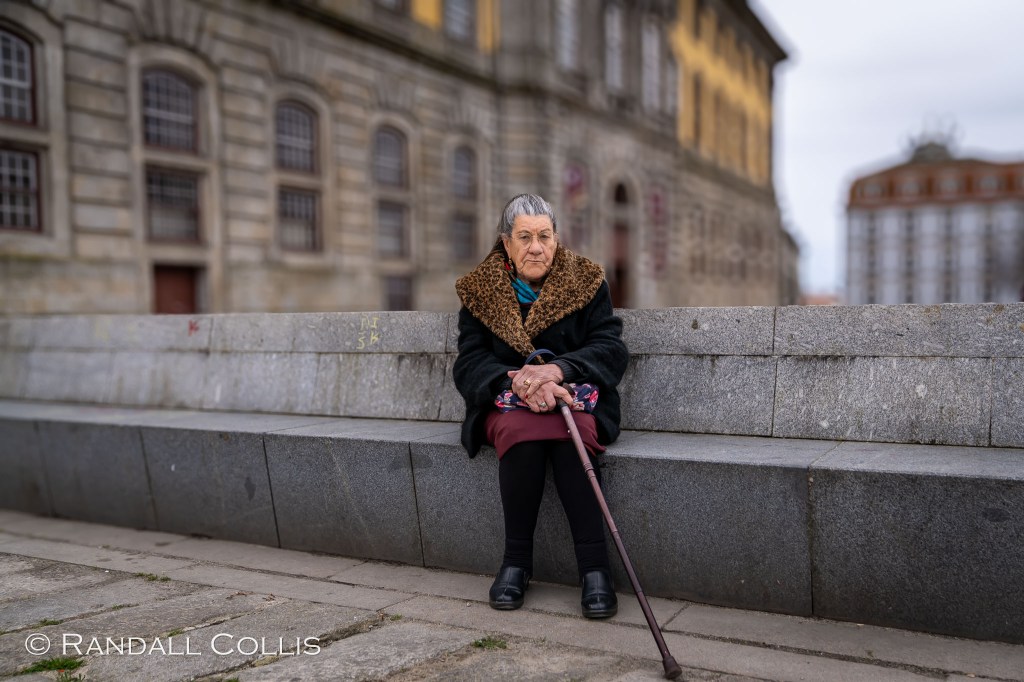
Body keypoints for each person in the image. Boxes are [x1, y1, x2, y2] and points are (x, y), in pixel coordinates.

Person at [452, 193, 629, 618]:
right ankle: (515, 563)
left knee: (573, 435)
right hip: (507, 400)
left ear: (556, 239)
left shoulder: (586, 281)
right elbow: (470, 361)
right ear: (506, 243)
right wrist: (518, 381)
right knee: (521, 435)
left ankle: (595, 570)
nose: (537, 247)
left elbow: (610, 348)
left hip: (573, 397)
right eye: (525, 237)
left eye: (545, 236)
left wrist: (558, 371)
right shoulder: (480, 291)